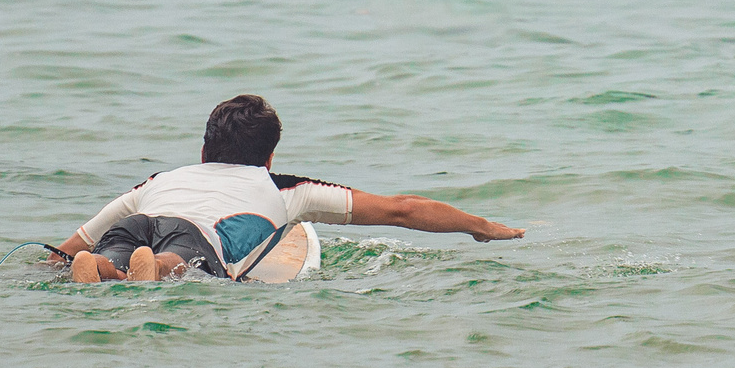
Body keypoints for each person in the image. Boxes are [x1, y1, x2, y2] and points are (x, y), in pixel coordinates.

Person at [55, 93, 524, 282]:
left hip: (141, 221)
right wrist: (481, 227)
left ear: (204, 151)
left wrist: (59, 260)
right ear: (269, 156)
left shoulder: (160, 180)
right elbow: (403, 209)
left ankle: (106, 269)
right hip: (195, 237)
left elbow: (65, 247)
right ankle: (154, 268)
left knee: (105, 254)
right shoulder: (286, 189)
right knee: (177, 262)